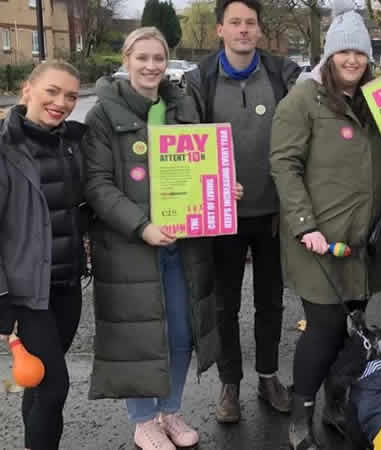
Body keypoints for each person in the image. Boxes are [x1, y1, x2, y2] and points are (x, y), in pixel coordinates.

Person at [83, 27, 233, 450]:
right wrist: (141, 225)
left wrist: (220, 187)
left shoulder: (183, 103)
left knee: (183, 332)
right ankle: (143, 420)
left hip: (183, 244)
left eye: (158, 58)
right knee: (139, 336)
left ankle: (170, 409)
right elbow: (96, 184)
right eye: (142, 57)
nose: (151, 66)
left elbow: (200, 163)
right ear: (126, 60)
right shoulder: (101, 114)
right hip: (130, 246)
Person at [270, 1, 381, 448]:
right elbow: (284, 164)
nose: (352, 60)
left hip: (365, 240)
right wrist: (304, 223)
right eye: (343, 53)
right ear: (329, 56)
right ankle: (299, 414)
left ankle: (336, 402)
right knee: (324, 327)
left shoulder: (380, 101)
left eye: (361, 53)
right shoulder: (303, 100)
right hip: (319, 241)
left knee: (354, 323)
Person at [184, 0, 300, 422]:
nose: (244, 30)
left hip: (273, 213)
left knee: (271, 302)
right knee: (224, 304)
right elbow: (187, 144)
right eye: (235, 23)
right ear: (220, 30)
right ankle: (229, 384)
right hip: (223, 216)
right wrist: (211, 184)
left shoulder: (283, 74)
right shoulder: (199, 80)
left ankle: (268, 377)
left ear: (259, 30)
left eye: (250, 23)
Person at [0, 61, 87, 450]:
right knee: (55, 387)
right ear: (27, 91)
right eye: (52, 91)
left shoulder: (73, 142)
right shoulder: (4, 149)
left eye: (70, 95)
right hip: (25, 294)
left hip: (67, 285)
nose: (61, 102)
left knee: (38, 383)